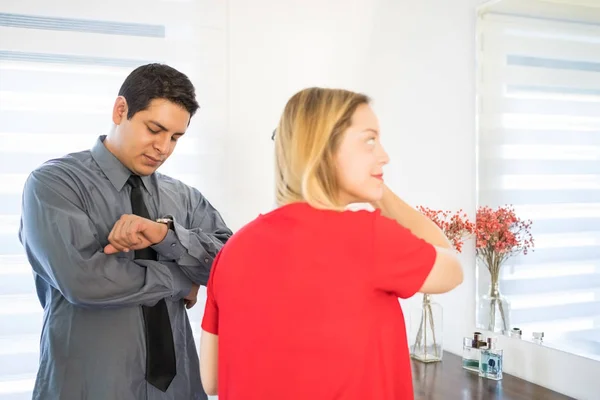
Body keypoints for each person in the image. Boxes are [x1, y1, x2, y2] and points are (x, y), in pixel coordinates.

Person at [199, 87, 464, 399]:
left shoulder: (233, 250)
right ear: (323, 148)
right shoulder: (370, 236)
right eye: (369, 140)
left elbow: (211, 380)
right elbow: (453, 269)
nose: (384, 155)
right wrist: (381, 192)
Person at [19, 63, 232, 400]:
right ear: (121, 111)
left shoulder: (185, 197)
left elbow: (231, 266)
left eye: (175, 137)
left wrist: (166, 237)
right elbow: (83, 281)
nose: (164, 147)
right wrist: (182, 280)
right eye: (155, 129)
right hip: (89, 387)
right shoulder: (54, 184)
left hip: (178, 391)